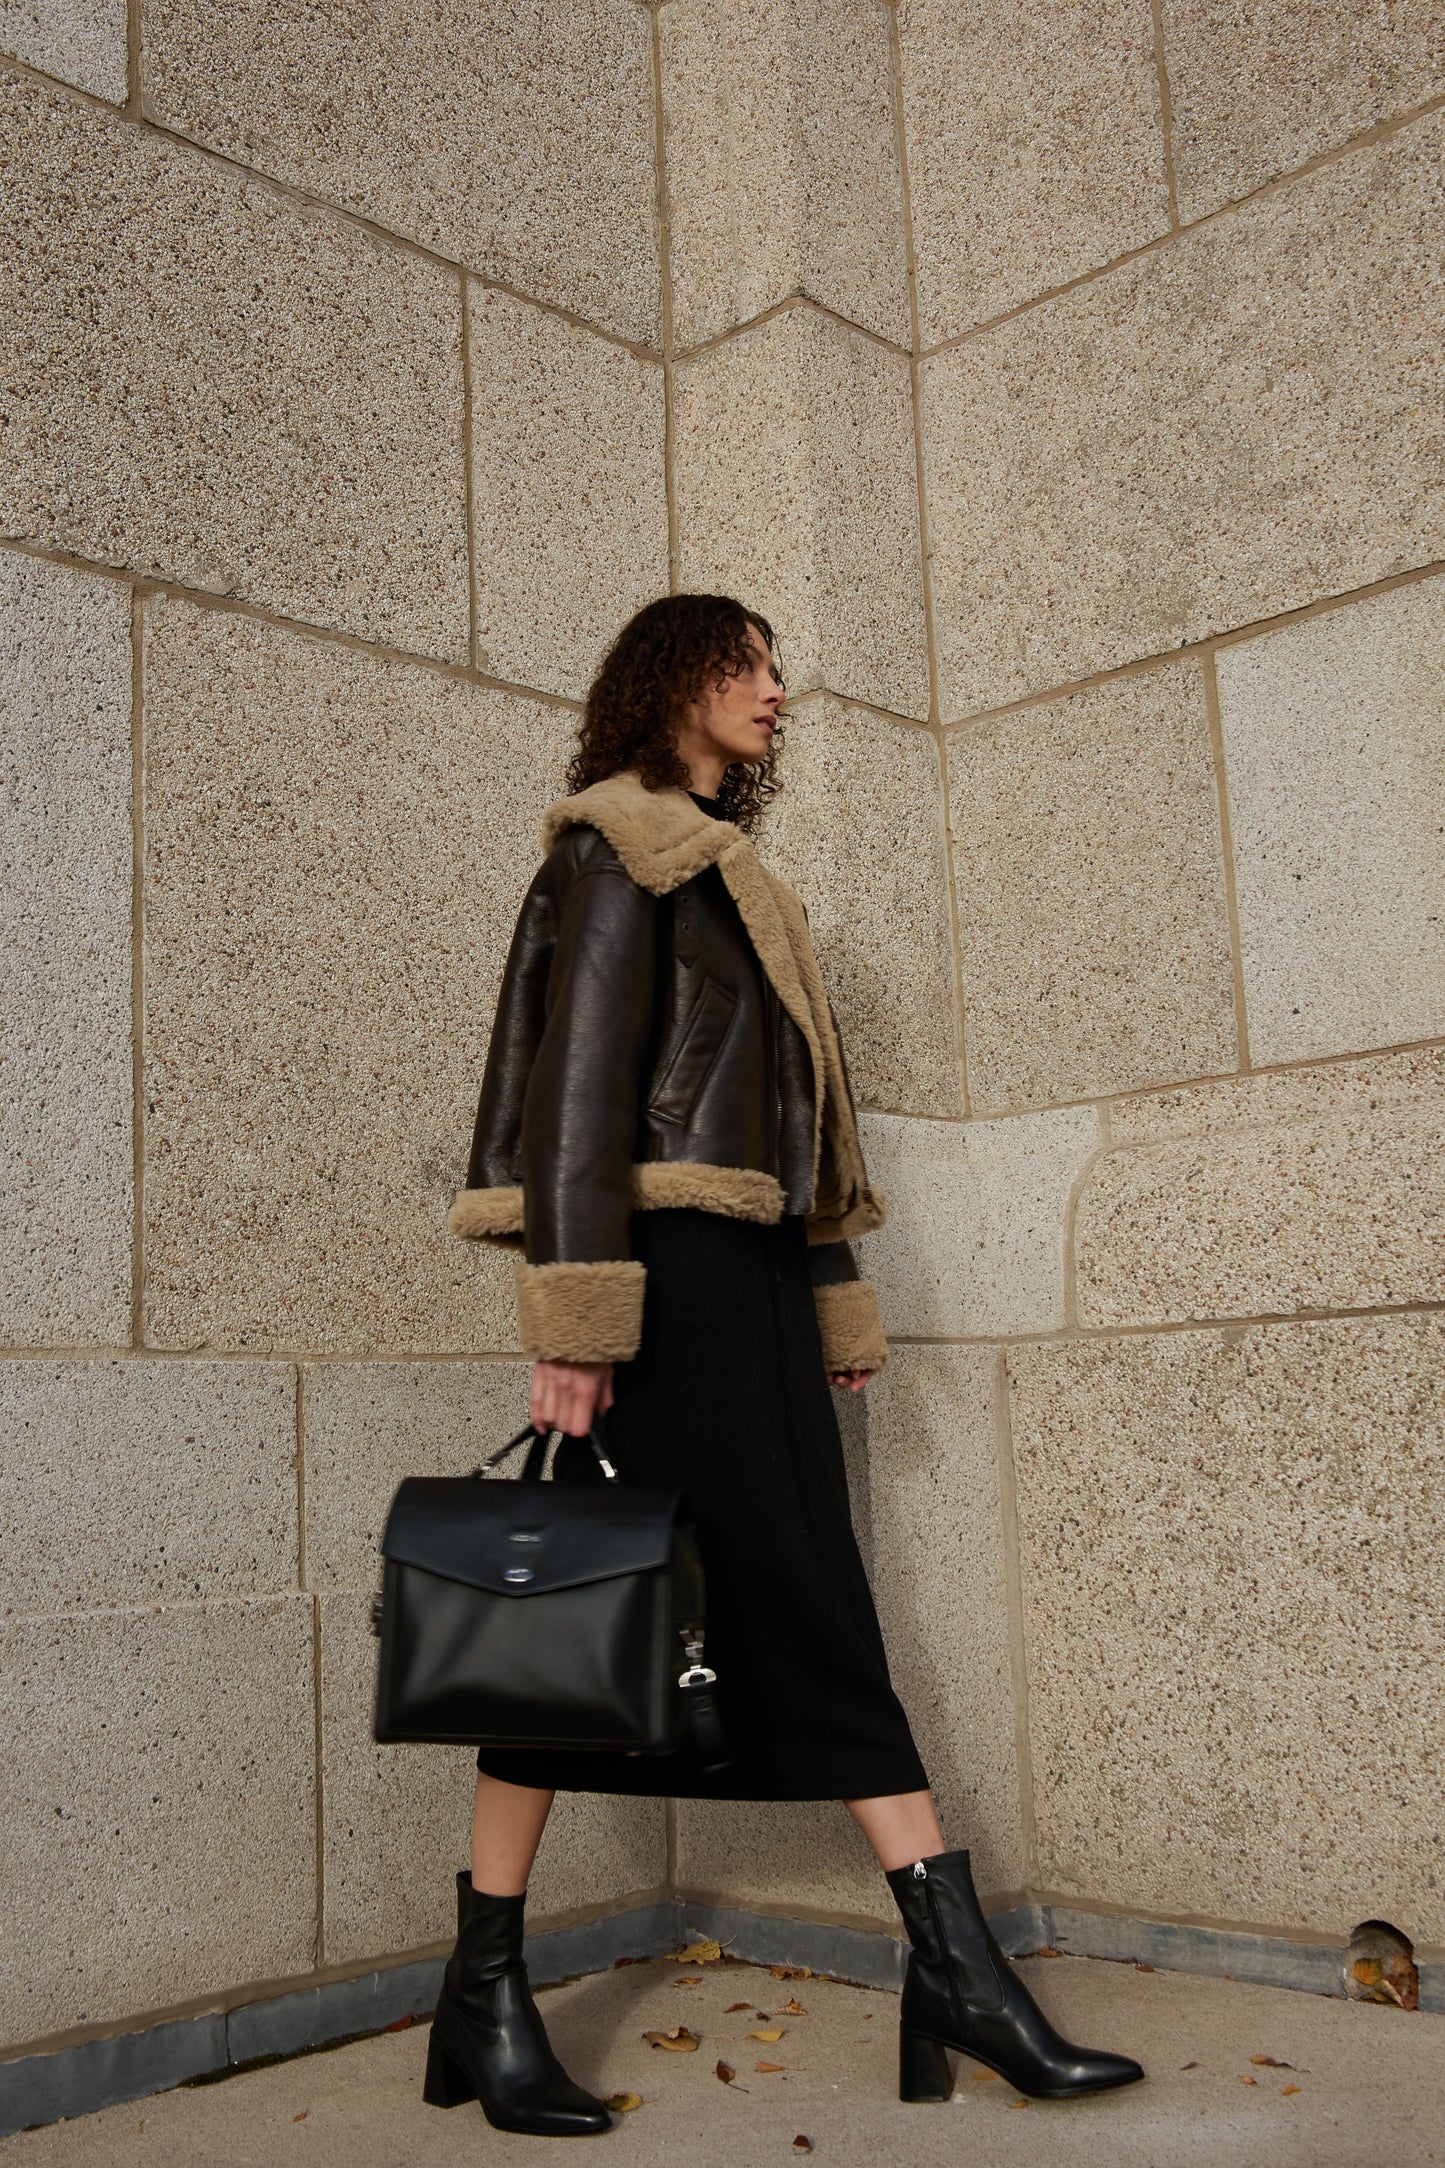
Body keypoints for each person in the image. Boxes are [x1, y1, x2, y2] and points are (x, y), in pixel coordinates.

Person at [434, 594, 1144, 2135]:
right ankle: (494, 1989)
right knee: (575, 1620)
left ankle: (942, 1971)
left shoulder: (732, 878)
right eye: (741, 662)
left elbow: (798, 1134)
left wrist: (827, 1288)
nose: (772, 689)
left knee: (767, 1604)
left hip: (743, 1278)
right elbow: (577, 1100)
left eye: (771, 666)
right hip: (663, 1283)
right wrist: (575, 1323)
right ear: (669, 679)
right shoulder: (618, 847)